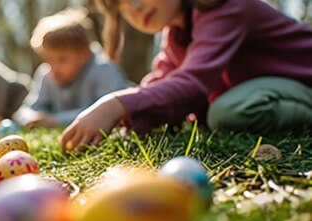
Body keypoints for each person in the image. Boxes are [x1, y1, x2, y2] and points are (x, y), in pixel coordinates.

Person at [61, 0, 312, 151]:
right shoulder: (176, 36)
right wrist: (128, 121)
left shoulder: (225, 7)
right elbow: (165, 82)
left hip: (304, 83)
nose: (135, 7)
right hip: (275, 90)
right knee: (222, 111)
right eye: (123, 6)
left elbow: (192, 83)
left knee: (227, 112)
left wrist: (117, 104)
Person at [20, 8, 127, 129]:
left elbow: (109, 112)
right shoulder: (46, 74)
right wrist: (32, 118)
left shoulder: (103, 69)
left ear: (84, 54)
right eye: (48, 59)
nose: (54, 68)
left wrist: (55, 120)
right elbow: (27, 109)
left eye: (62, 59)